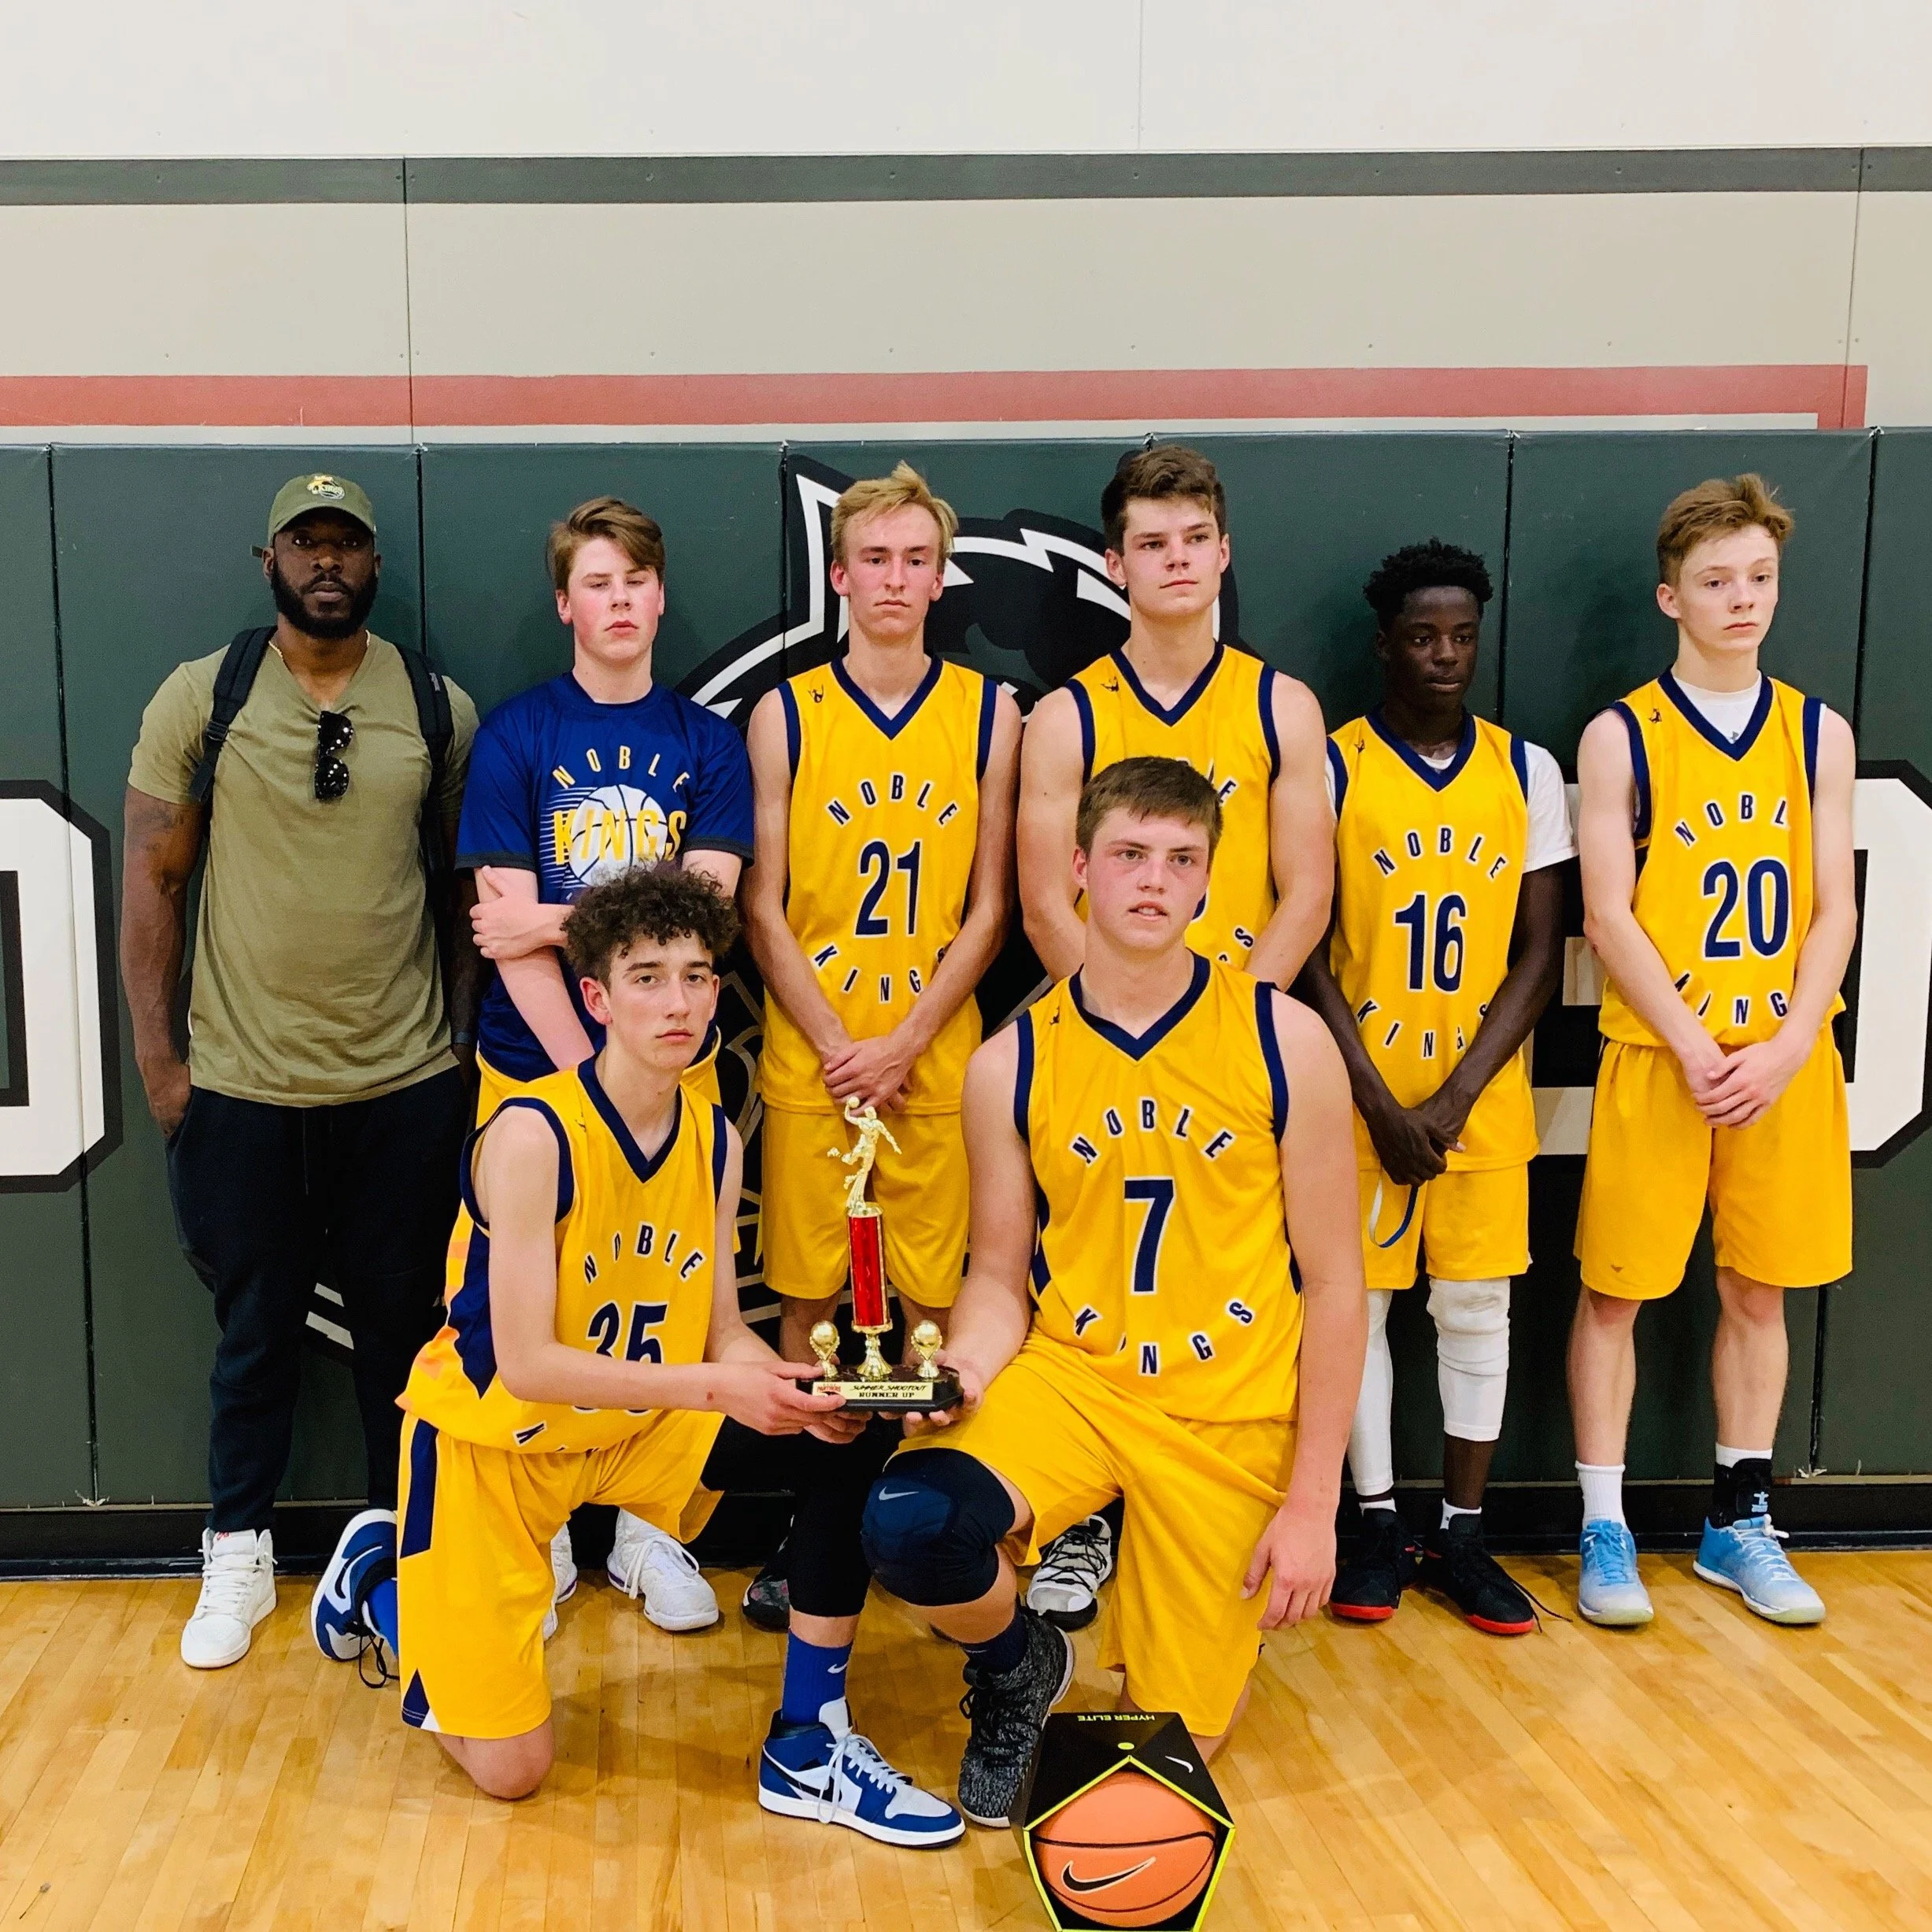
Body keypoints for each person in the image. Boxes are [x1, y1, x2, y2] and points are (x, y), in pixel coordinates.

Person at [307, 868, 962, 1841]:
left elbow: (719, 1331)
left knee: (840, 1435)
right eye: (648, 977)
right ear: (597, 999)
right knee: (516, 1774)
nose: (681, 1002)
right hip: (493, 1443)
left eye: (698, 977)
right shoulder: (530, 1133)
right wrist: (717, 1385)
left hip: (636, 1422)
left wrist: (778, 1382)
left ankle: (810, 1740)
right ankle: (388, 1589)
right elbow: (528, 1360)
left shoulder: (708, 1137)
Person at [859, 757, 1366, 1827]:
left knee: (1148, 1768)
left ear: (1207, 885)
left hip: (1225, 1409)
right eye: (1129, 854)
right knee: (913, 1521)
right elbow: (997, 1276)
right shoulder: (1013, 1062)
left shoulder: (1286, 1041)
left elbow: (1332, 1283)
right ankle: (1015, 1664)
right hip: (1075, 1378)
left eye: (1181, 860)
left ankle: (1142, 1674)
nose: (1152, 880)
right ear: (1079, 867)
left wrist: (1315, 1500)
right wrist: (960, 1368)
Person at [120, 472, 479, 1671]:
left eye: (348, 545)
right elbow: (153, 881)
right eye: (305, 542)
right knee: (255, 1333)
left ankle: (406, 1555)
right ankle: (236, 1553)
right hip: (245, 1087)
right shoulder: (201, 695)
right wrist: (164, 1066)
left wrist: (462, 1063)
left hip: (405, 1083)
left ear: (375, 565)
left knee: (402, 1336)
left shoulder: (436, 705)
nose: (327, 561)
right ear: (266, 558)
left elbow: (464, 895)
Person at [1014, 444, 1333, 1620]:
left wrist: (1227, 1019)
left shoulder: (1277, 703)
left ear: (1224, 551)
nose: (1176, 560)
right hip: (1100, 1043)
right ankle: (1085, 1516)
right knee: (1092, 1275)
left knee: (1237, 1281)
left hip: (1237, 1049)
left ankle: (1243, 1502)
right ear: (1115, 564)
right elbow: (1048, 898)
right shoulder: (1065, 716)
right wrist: (1118, 1019)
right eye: (1151, 542)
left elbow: (1305, 888)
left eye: (1194, 539)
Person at [456, 495, 754, 1635]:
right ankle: (532, 1540)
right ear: (565, 603)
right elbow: (497, 923)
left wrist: (552, 918)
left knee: (669, 1301)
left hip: (674, 1074)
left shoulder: (702, 739)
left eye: (635, 580)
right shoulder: (520, 734)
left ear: (660, 595)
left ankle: (648, 1526)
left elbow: (708, 909)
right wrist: (597, 1072)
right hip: (533, 1070)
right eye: (597, 582)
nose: (618, 601)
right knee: (527, 1306)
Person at [1568, 475, 1856, 1628]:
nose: (1741, 600)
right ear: (1668, 596)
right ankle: (1603, 1523)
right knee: (1612, 1295)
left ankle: (1739, 1520)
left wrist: (1790, 1039)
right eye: (1715, 581)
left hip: (1783, 1059)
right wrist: (1693, 1042)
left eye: (1757, 579)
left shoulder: (1813, 729)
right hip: (1659, 1054)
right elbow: (1607, 910)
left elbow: (1832, 905)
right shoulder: (1618, 732)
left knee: (1757, 1286)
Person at [741, 464, 1020, 1625]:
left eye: (916, 559)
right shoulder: (785, 710)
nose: (895, 579)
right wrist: (839, 1041)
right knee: (809, 1311)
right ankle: (816, 1537)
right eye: (876, 560)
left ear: (939, 576)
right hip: (815, 1063)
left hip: (934, 1062)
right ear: (840, 575)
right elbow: (762, 903)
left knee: (935, 1315)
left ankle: (926, 1530)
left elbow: (991, 907)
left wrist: (904, 1039)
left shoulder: (993, 713)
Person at [1297, 541, 1569, 1634]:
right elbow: (1305, 947)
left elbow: (1541, 953)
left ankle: (1459, 1530)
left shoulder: (1525, 768)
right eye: (1422, 634)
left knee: (1473, 1308)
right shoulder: (1331, 765)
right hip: (1355, 1100)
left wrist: (1450, 1101)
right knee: (1354, 1312)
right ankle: (1370, 1521)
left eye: (1461, 633)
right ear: (1384, 643)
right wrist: (1373, 1096)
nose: (1445, 653)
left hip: (1478, 1104)